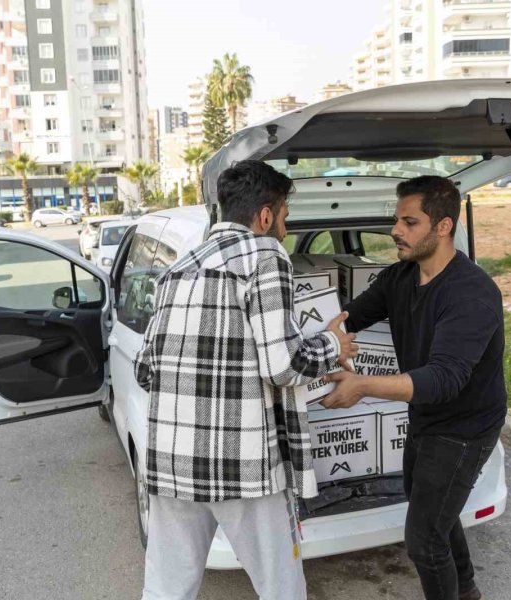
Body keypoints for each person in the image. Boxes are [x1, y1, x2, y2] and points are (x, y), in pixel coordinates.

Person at [134, 160, 358, 600]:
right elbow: (283, 364)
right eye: (286, 216)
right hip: (244, 465)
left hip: (172, 461)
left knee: (166, 587)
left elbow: (146, 368)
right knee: (281, 586)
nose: (286, 229)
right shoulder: (265, 254)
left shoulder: (177, 270)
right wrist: (333, 345)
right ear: (265, 215)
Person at [322, 176, 506, 600]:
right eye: (396, 220)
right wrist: (334, 332)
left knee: (423, 539)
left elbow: (444, 379)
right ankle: (467, 589)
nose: (395, 231)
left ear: (443, 227)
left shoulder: (471, 293)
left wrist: (362, 385)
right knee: (433, 510)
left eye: (409, 222)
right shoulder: (401, 277)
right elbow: (358, 312)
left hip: (465, 426)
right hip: (424, 415)